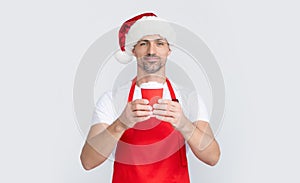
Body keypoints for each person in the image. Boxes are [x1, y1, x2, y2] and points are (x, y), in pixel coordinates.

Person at [80, 12, 221, 183]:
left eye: (159, 43)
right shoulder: (113, 99)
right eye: (143, 43)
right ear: (134, 50)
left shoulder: (189, 99)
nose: (151, 50)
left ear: (169, 50)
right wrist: (121, 123)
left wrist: (183, 124)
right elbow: (88, 161)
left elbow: (212, 157)